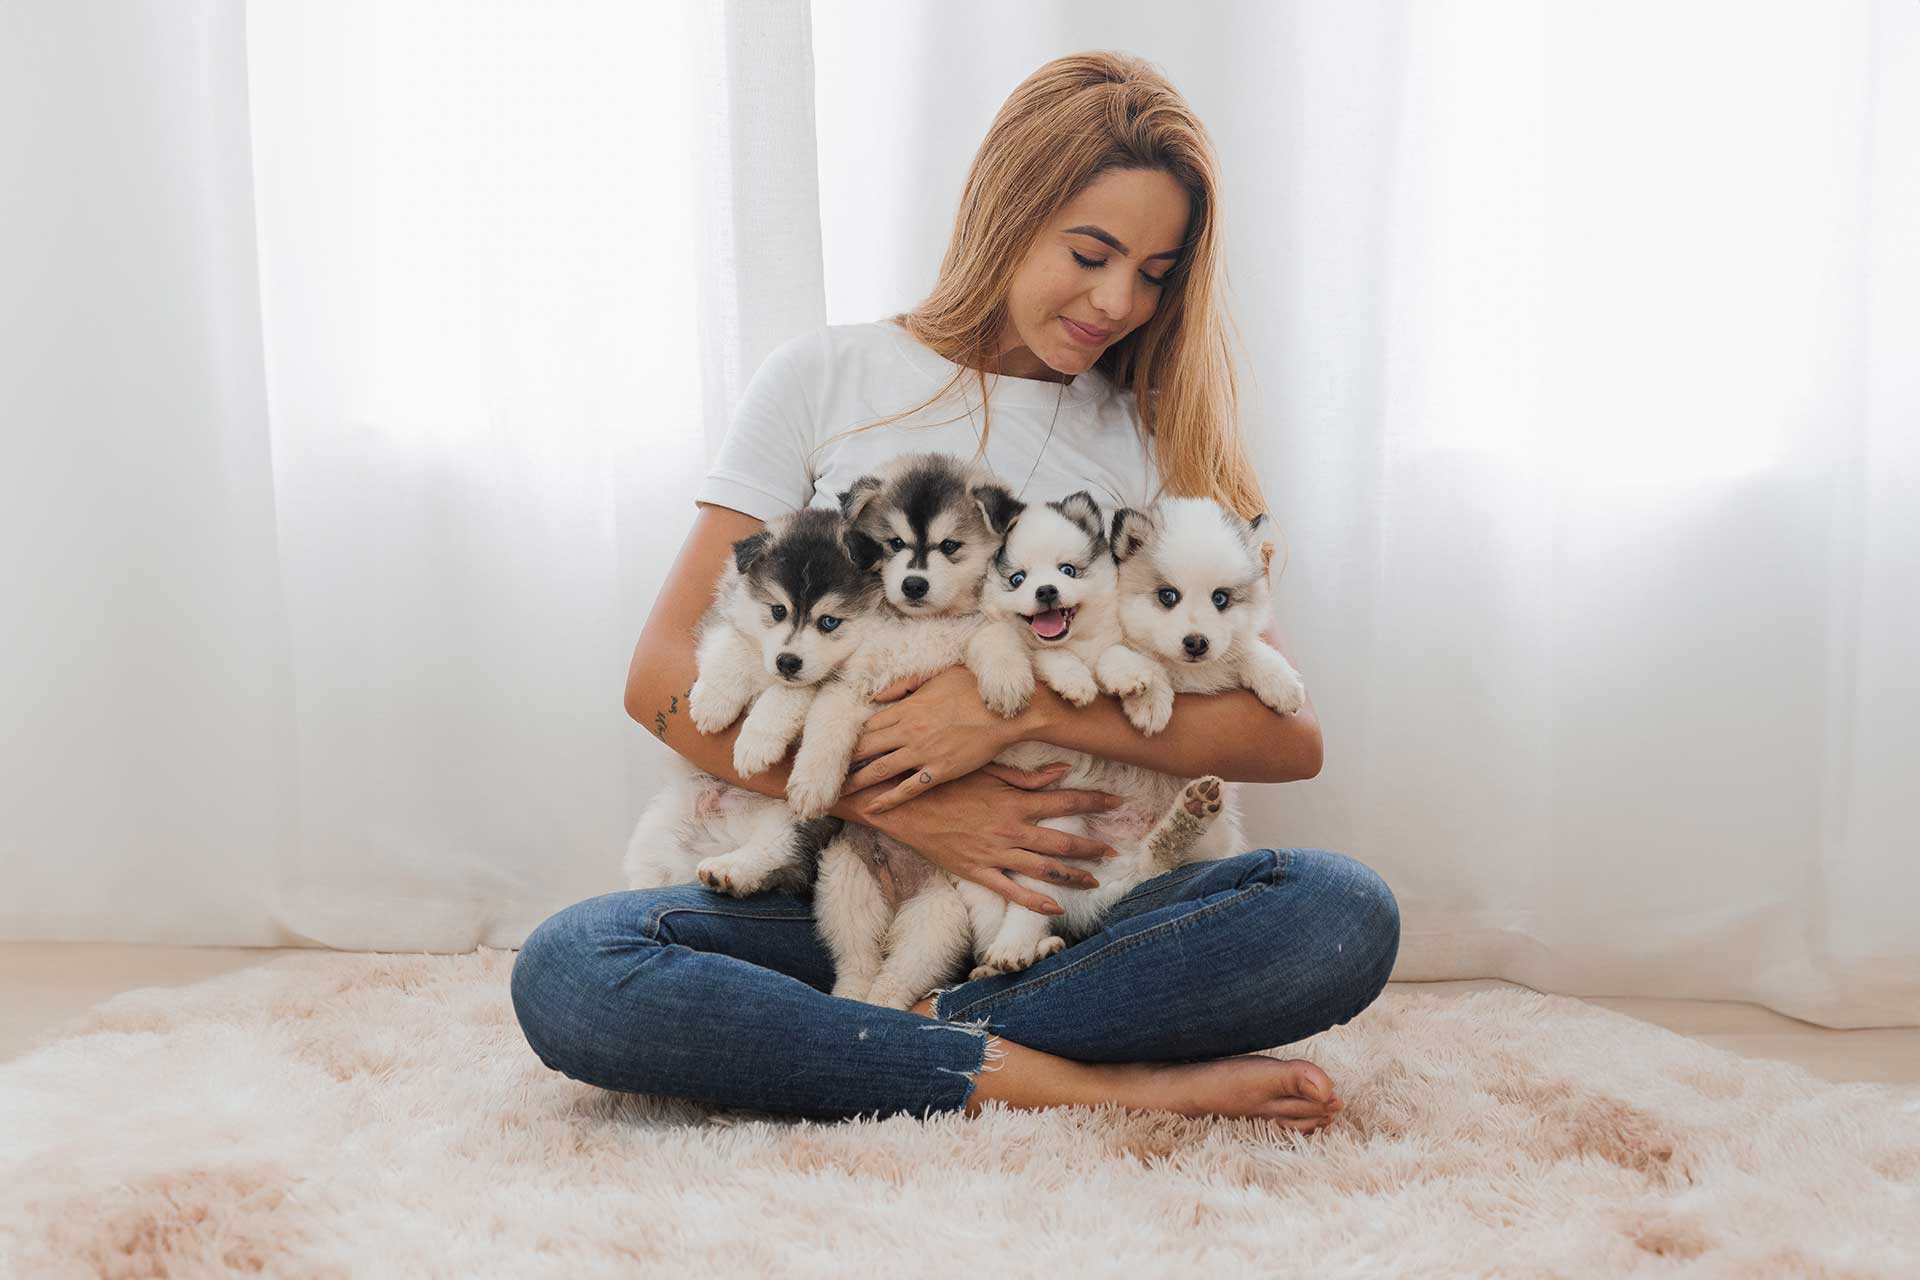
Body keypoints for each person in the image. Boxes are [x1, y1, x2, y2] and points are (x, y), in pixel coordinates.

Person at [511, 50, 1399, 1130]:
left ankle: (885, 1040)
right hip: (833, 888)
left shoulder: (1148, 433)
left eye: (1156, 272)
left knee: (1339, 912)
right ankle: (1068, 1075)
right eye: (1091, 252)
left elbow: (1287, 735)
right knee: (573, 967)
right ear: (1009, 207)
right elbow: (659, 673)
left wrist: (996, 707)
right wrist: (927, 809)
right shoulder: (823, 377)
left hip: (1071, 902)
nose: (1118, 300)